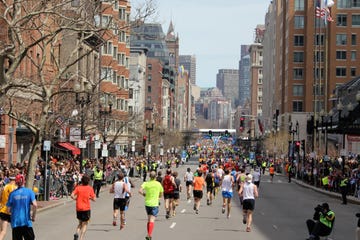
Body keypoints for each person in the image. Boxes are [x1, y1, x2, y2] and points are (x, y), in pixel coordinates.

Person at [7, 174, 37, 240]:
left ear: (16, 182)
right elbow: (35, 205)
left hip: (15, 223)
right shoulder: (29, 192)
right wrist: (33, 216)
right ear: (24, 181)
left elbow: (8, 210)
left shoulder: (12, 194)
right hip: (26, 222)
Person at [139, 171, 164, 240]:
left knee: (149, 219)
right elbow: (161, 193)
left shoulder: (146, 183)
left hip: (147, 203)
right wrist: (158, 198)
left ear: (149, 176)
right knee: (152, 220)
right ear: (155, 177)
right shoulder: (158, 184)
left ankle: (149, 234)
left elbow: (140, 190)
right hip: (155, 204)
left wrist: (144, 194)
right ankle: (149, 234)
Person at [71, 174, 96, 240]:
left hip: (79, 207)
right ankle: (81, 238)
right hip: (86, 208)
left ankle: (76, 233)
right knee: (85, 224)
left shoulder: (78, 187)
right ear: (88, 181)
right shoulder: (90, 188)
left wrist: (75, 199)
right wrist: (90, 197)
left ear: (82, 181)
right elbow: (94, 199)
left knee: (80, 223)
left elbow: (72, 195)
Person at [0, 173, 17, 240]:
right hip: (11, 211)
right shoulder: (14, 187)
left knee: (3, 231)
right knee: (15, 231)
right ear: (15, 180)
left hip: (3, 209)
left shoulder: (4, 187)